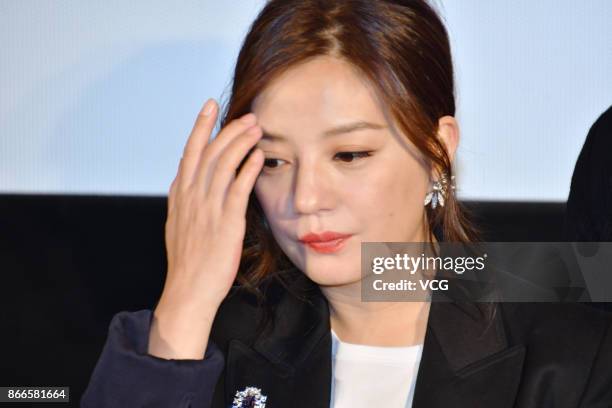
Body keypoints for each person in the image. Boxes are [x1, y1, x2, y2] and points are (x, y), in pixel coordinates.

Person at [81, 1, 612, 407]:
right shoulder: (206, 342)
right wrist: (185, 306)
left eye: (350, 154)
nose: (305, 199)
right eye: (272, 161)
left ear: (436, 152)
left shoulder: (572, 355)